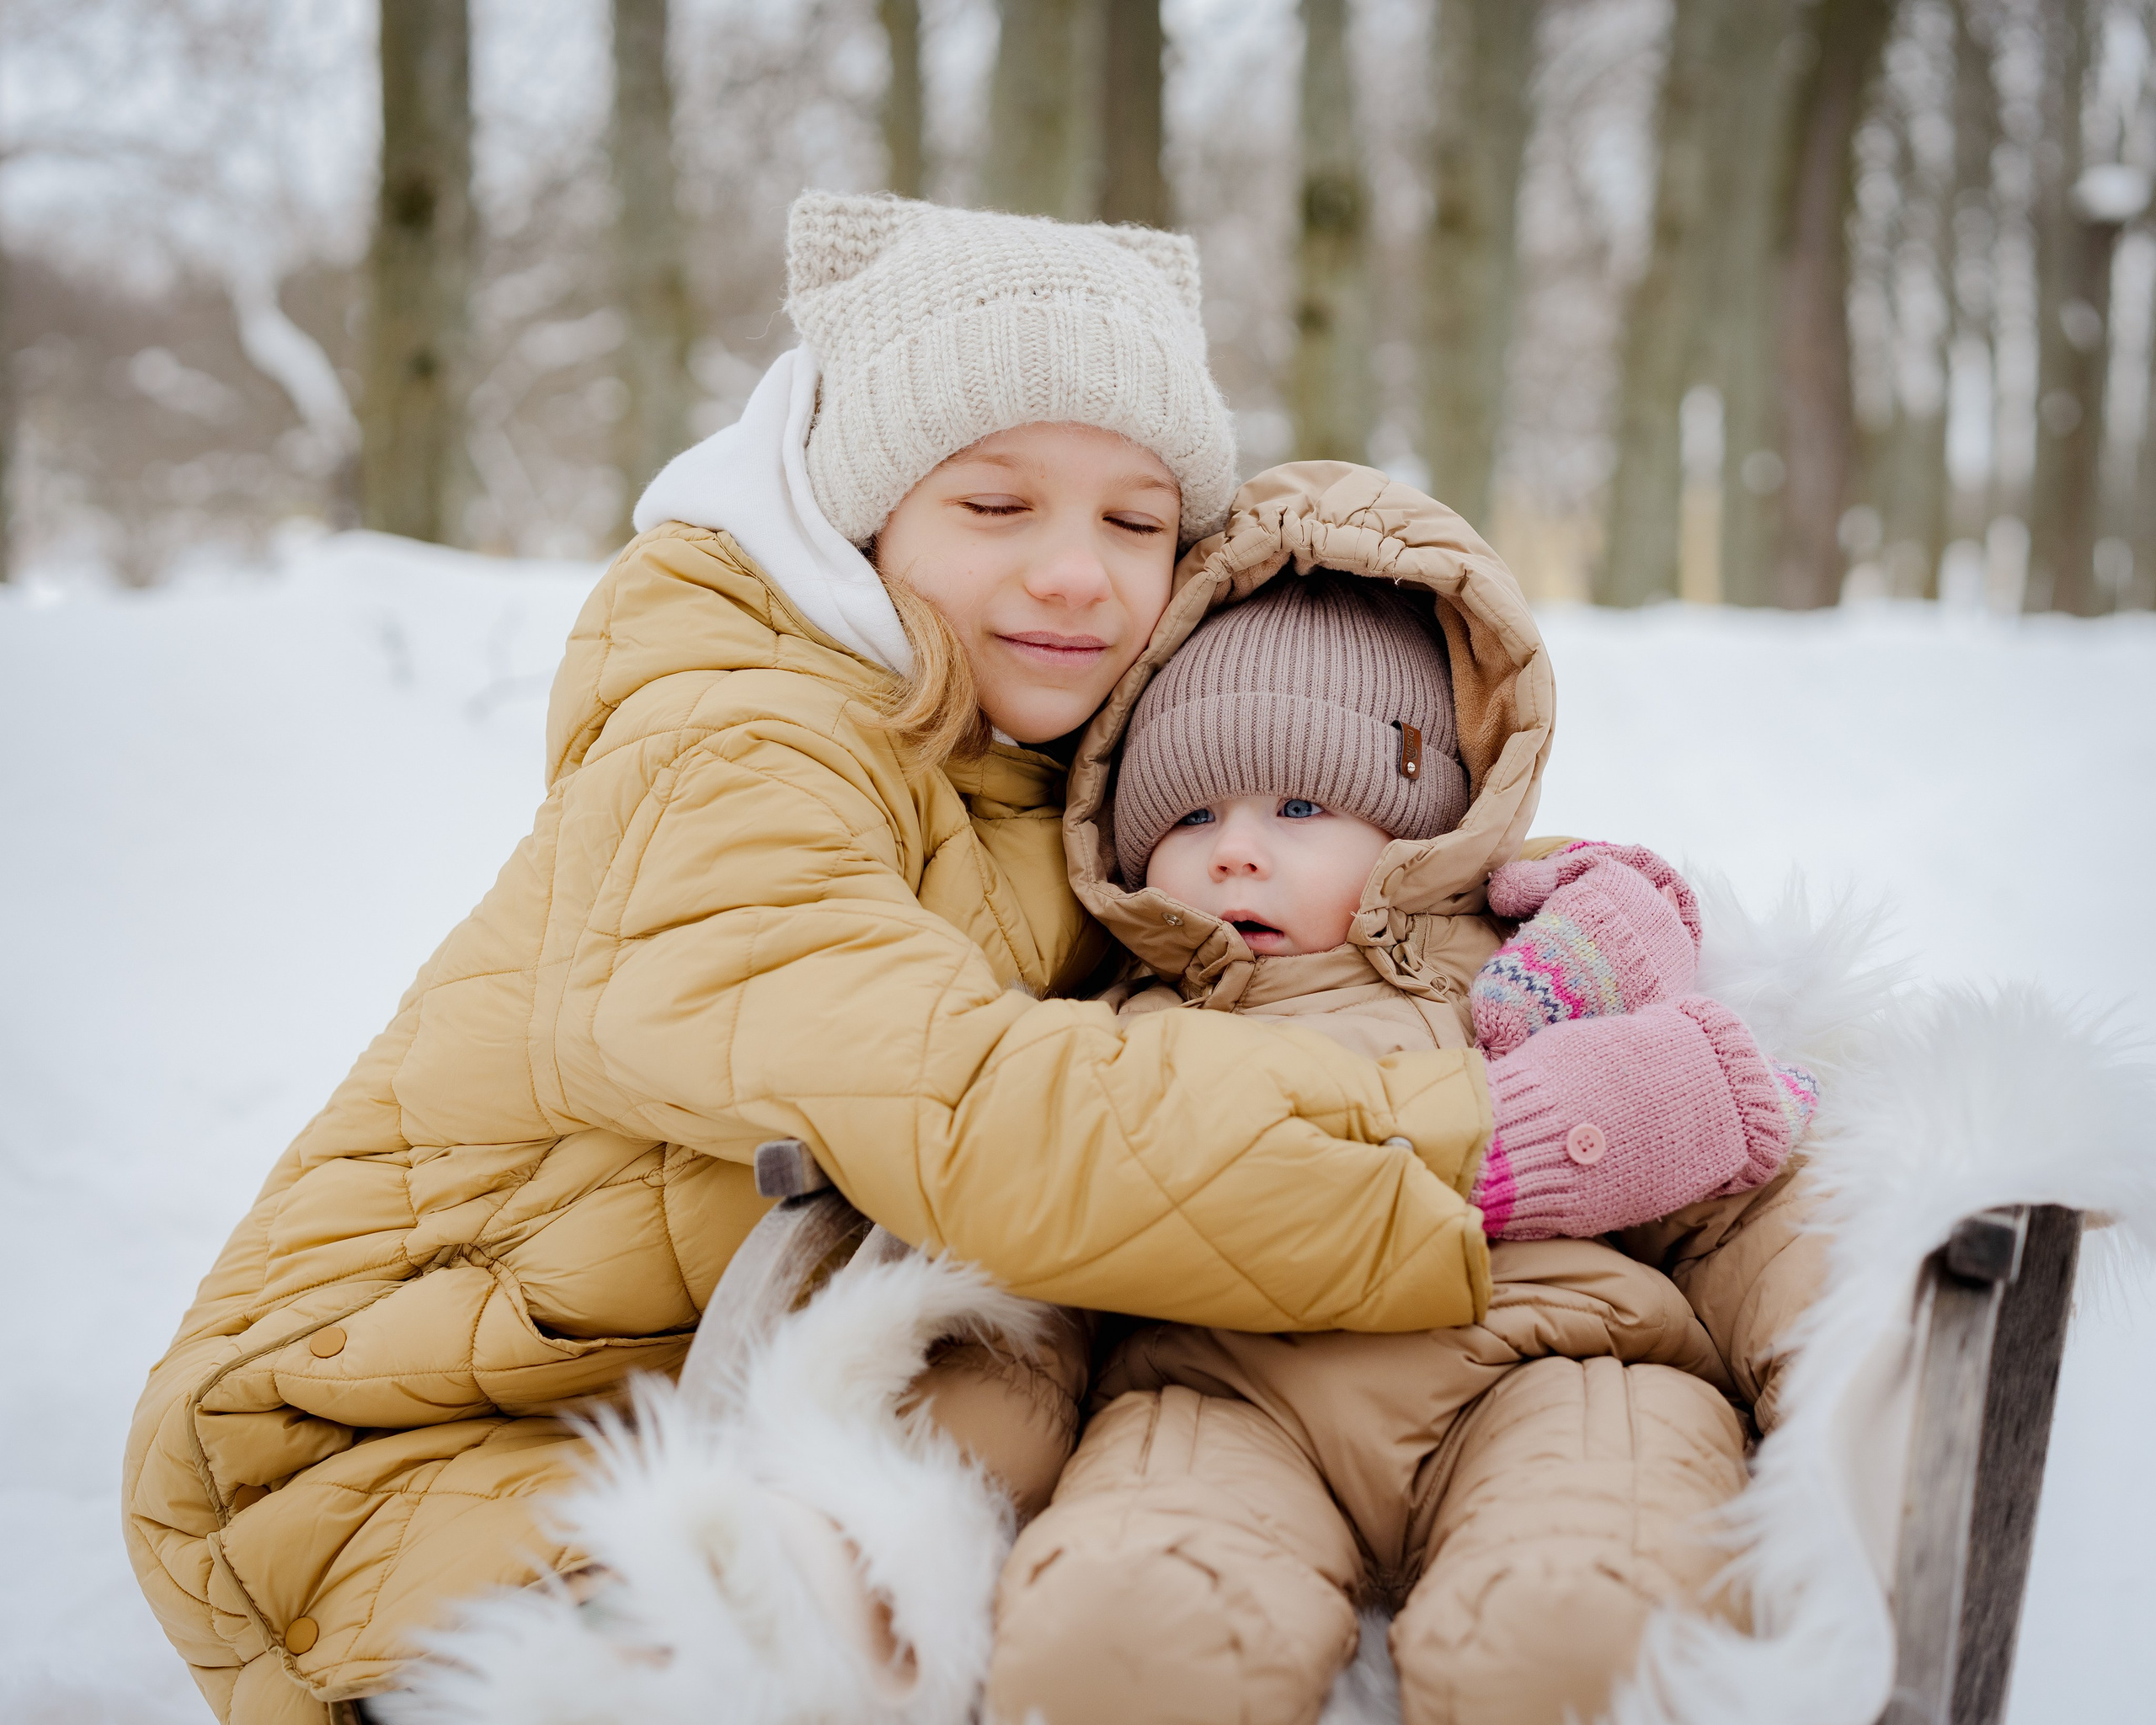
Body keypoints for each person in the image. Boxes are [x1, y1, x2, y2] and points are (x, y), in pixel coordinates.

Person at [122, 191, 1624, 1725]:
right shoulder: (734, 745)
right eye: (995, 506)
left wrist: (1531, 940)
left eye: (1136, 520)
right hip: (394, 1446)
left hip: (731, 1393)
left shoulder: (1047, 764)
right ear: (864, 512)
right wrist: (1498, 1147)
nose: (1076, 575)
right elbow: (964, 1111)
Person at [985, 466, 1826, 1725]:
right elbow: (1041, 1248)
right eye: (1193, 812)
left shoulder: (1539, 978)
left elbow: (1729, 1184)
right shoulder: (1120, 1032)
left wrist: (1841, 1368)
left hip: (1553, 1364)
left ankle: (1567, 1628)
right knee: (1129, 1617)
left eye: (1304, 804)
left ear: (1424, 825)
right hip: (1227, 1394)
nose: (1236, 848)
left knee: (1586, 1608)